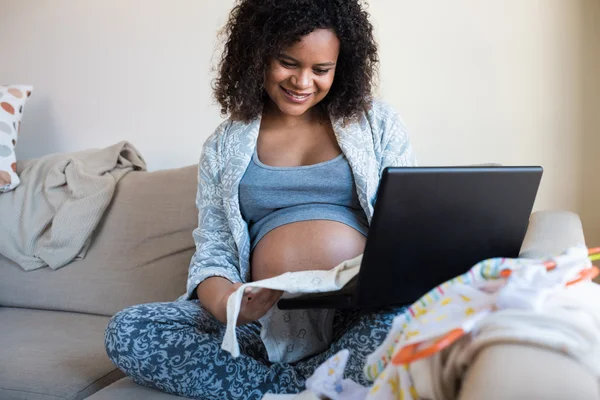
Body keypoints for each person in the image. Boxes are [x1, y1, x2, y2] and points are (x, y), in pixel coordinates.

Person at [104, 0, 416, 398]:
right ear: (258, 55)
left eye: (321, 70)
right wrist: (228, 303)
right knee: (129, 331)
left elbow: (406, 225)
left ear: (343, 66)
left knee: (416, 316)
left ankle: (284, 386)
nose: (303, 82)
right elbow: (214, 248)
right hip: (266, 321)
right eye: (288, 62)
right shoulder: (223, 145)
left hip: (357, 313)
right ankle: (304, 386)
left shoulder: (377, 124)